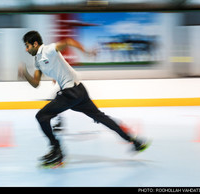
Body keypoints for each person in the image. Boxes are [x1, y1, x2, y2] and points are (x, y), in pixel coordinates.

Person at [18, 31, 149, 166]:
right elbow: (35, 83)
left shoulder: (48, 49)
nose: (26, 49)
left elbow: (68, 41)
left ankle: (56, 149)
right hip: (77, 91)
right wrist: (25, 74)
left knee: (42, 116)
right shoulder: (37, 62)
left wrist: (86, 52)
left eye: (27, 46)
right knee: (101, 117)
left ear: (35, 44)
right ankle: (135, 141)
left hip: (72, 92)